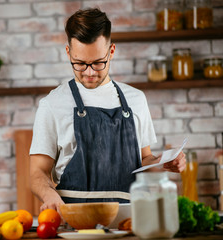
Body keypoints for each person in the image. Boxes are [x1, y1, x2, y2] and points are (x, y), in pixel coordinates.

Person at [29, 8, 186, 212]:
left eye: (97, 63)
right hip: (74, 220)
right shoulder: (52, 104)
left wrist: (164, 161)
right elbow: (37, 172)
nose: (89, 72)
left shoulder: (136, 100)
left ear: (111, 52)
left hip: (128, 217)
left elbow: (144, 158)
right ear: (68, 53)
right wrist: (49, 193)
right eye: (79, 64)